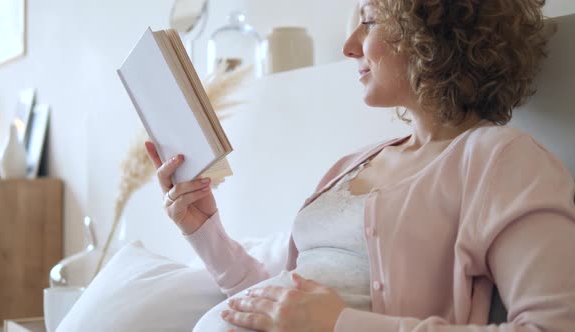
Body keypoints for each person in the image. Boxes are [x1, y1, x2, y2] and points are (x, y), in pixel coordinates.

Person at [144, 0, 575, 330]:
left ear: (434, 31)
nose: (349, 46)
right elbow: (279, 305)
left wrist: (342, 325)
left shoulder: (500, 159)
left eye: (368, 20)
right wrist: (203, 229)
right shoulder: (350, 165)